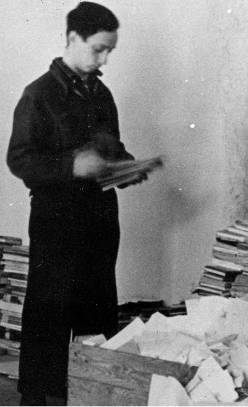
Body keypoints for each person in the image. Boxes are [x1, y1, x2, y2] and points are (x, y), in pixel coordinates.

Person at [6, 2, 144, 404]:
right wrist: (72, 166)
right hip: (56, 220)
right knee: (50, 312)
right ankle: (38, 399)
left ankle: (90, 395)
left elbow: (112, 149)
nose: (104, 60)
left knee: (97, 309)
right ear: (72, 38)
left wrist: (127, 166)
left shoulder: (102, 94)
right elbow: (20, 160)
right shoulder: (39, 95)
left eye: (109, 51)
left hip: (100, 218)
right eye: (99, 49)